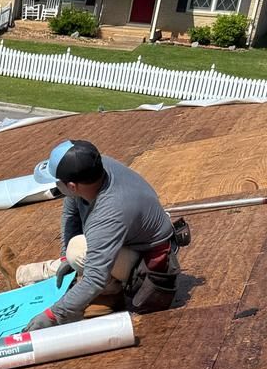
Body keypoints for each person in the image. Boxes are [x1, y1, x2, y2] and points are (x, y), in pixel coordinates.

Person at [23, 140, 178, 332]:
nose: (55, 186)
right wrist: (64, 258)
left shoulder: (109, 213)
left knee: (78, 250)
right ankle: (30, 274)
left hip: (148, 270)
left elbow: (94, 278)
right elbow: (70, 213)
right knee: (73, 254)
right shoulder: (94, 168)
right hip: (133, 243)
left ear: (71, 185)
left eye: (57, 182)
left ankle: (110, 295)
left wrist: (52, 316)